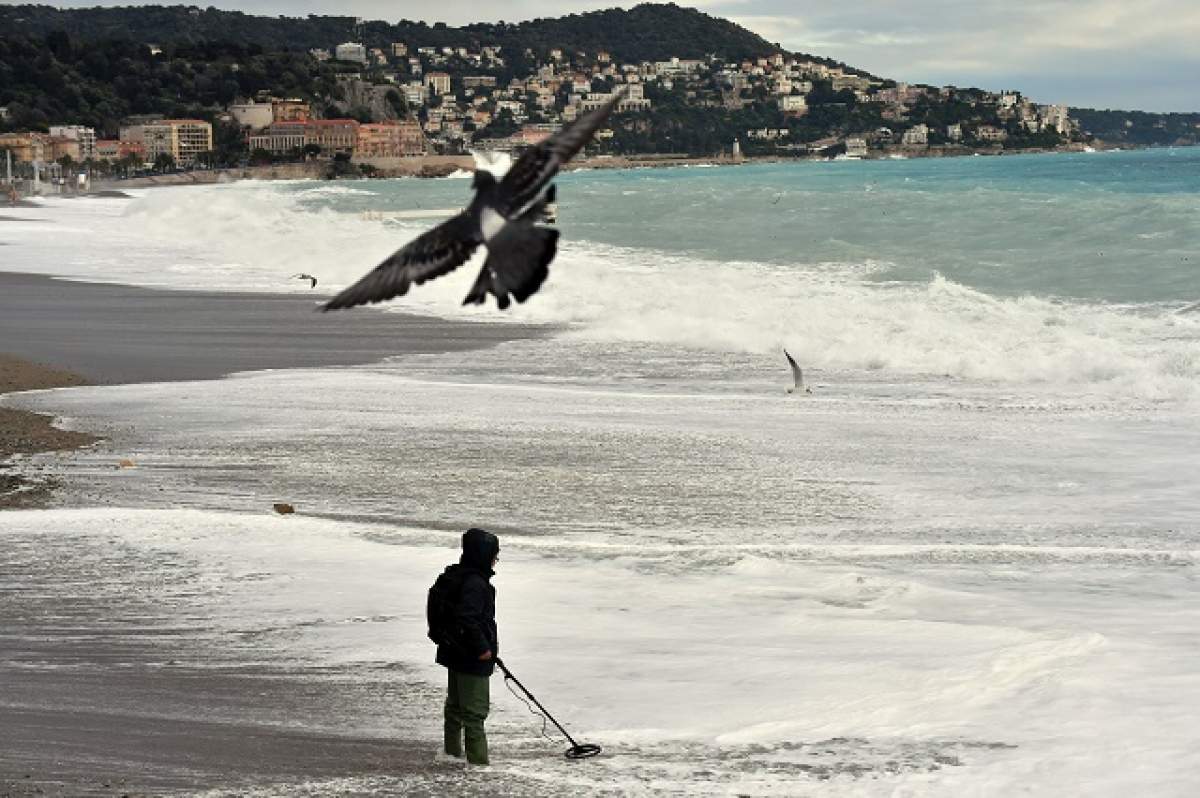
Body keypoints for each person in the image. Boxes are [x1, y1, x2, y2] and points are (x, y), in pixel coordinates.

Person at [436, 527, 500, 765]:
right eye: (494, 554)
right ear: (483, 554)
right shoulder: (475, 583)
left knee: (455, 709)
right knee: (474, 714)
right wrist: (484, 649)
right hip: (471, 657)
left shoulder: (459, 575)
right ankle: (479, 770)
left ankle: (451, 757)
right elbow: (468, 618)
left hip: (455, 652)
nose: (495, 560)